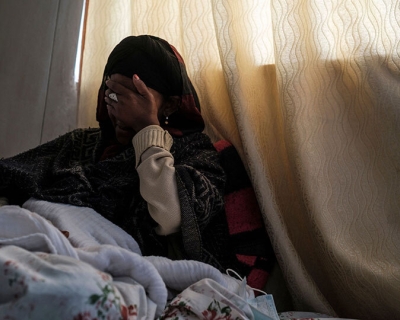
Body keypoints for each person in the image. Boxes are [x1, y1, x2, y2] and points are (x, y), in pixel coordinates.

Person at [0, 35, 239, 272]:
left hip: (105, 268)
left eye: (135, 98)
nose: (121, 111)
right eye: (113, 96)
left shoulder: (195, 152)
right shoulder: (82, 142)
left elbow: (171, 217)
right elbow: (9, 177)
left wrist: (147, 128)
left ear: (170, 105)